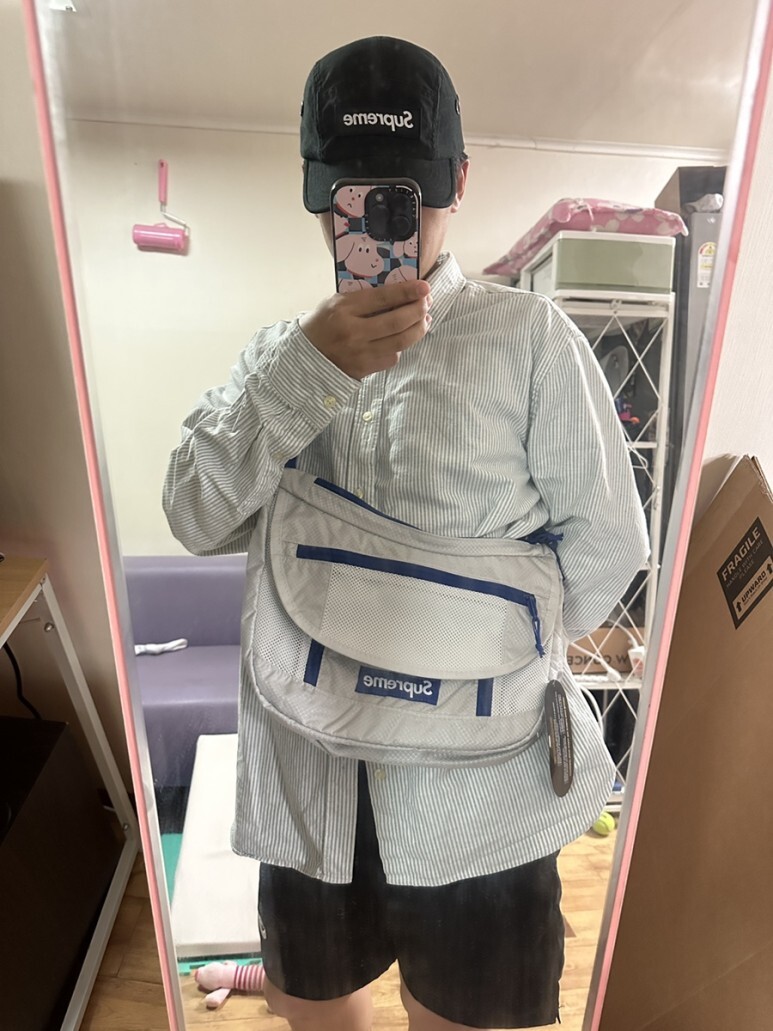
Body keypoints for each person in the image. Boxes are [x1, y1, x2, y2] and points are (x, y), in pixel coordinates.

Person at [163, 36, 648, 1031]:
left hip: (483, 790)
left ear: (455, 181)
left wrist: (482, 650)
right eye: (353, 196)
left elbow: (607, 543)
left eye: (405, 194)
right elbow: (192, 514)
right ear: (315, 192)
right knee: (316, 1012)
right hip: (312, 785)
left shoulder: (530, 339)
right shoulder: (276, 356)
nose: (380, 221)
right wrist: (306, 372)